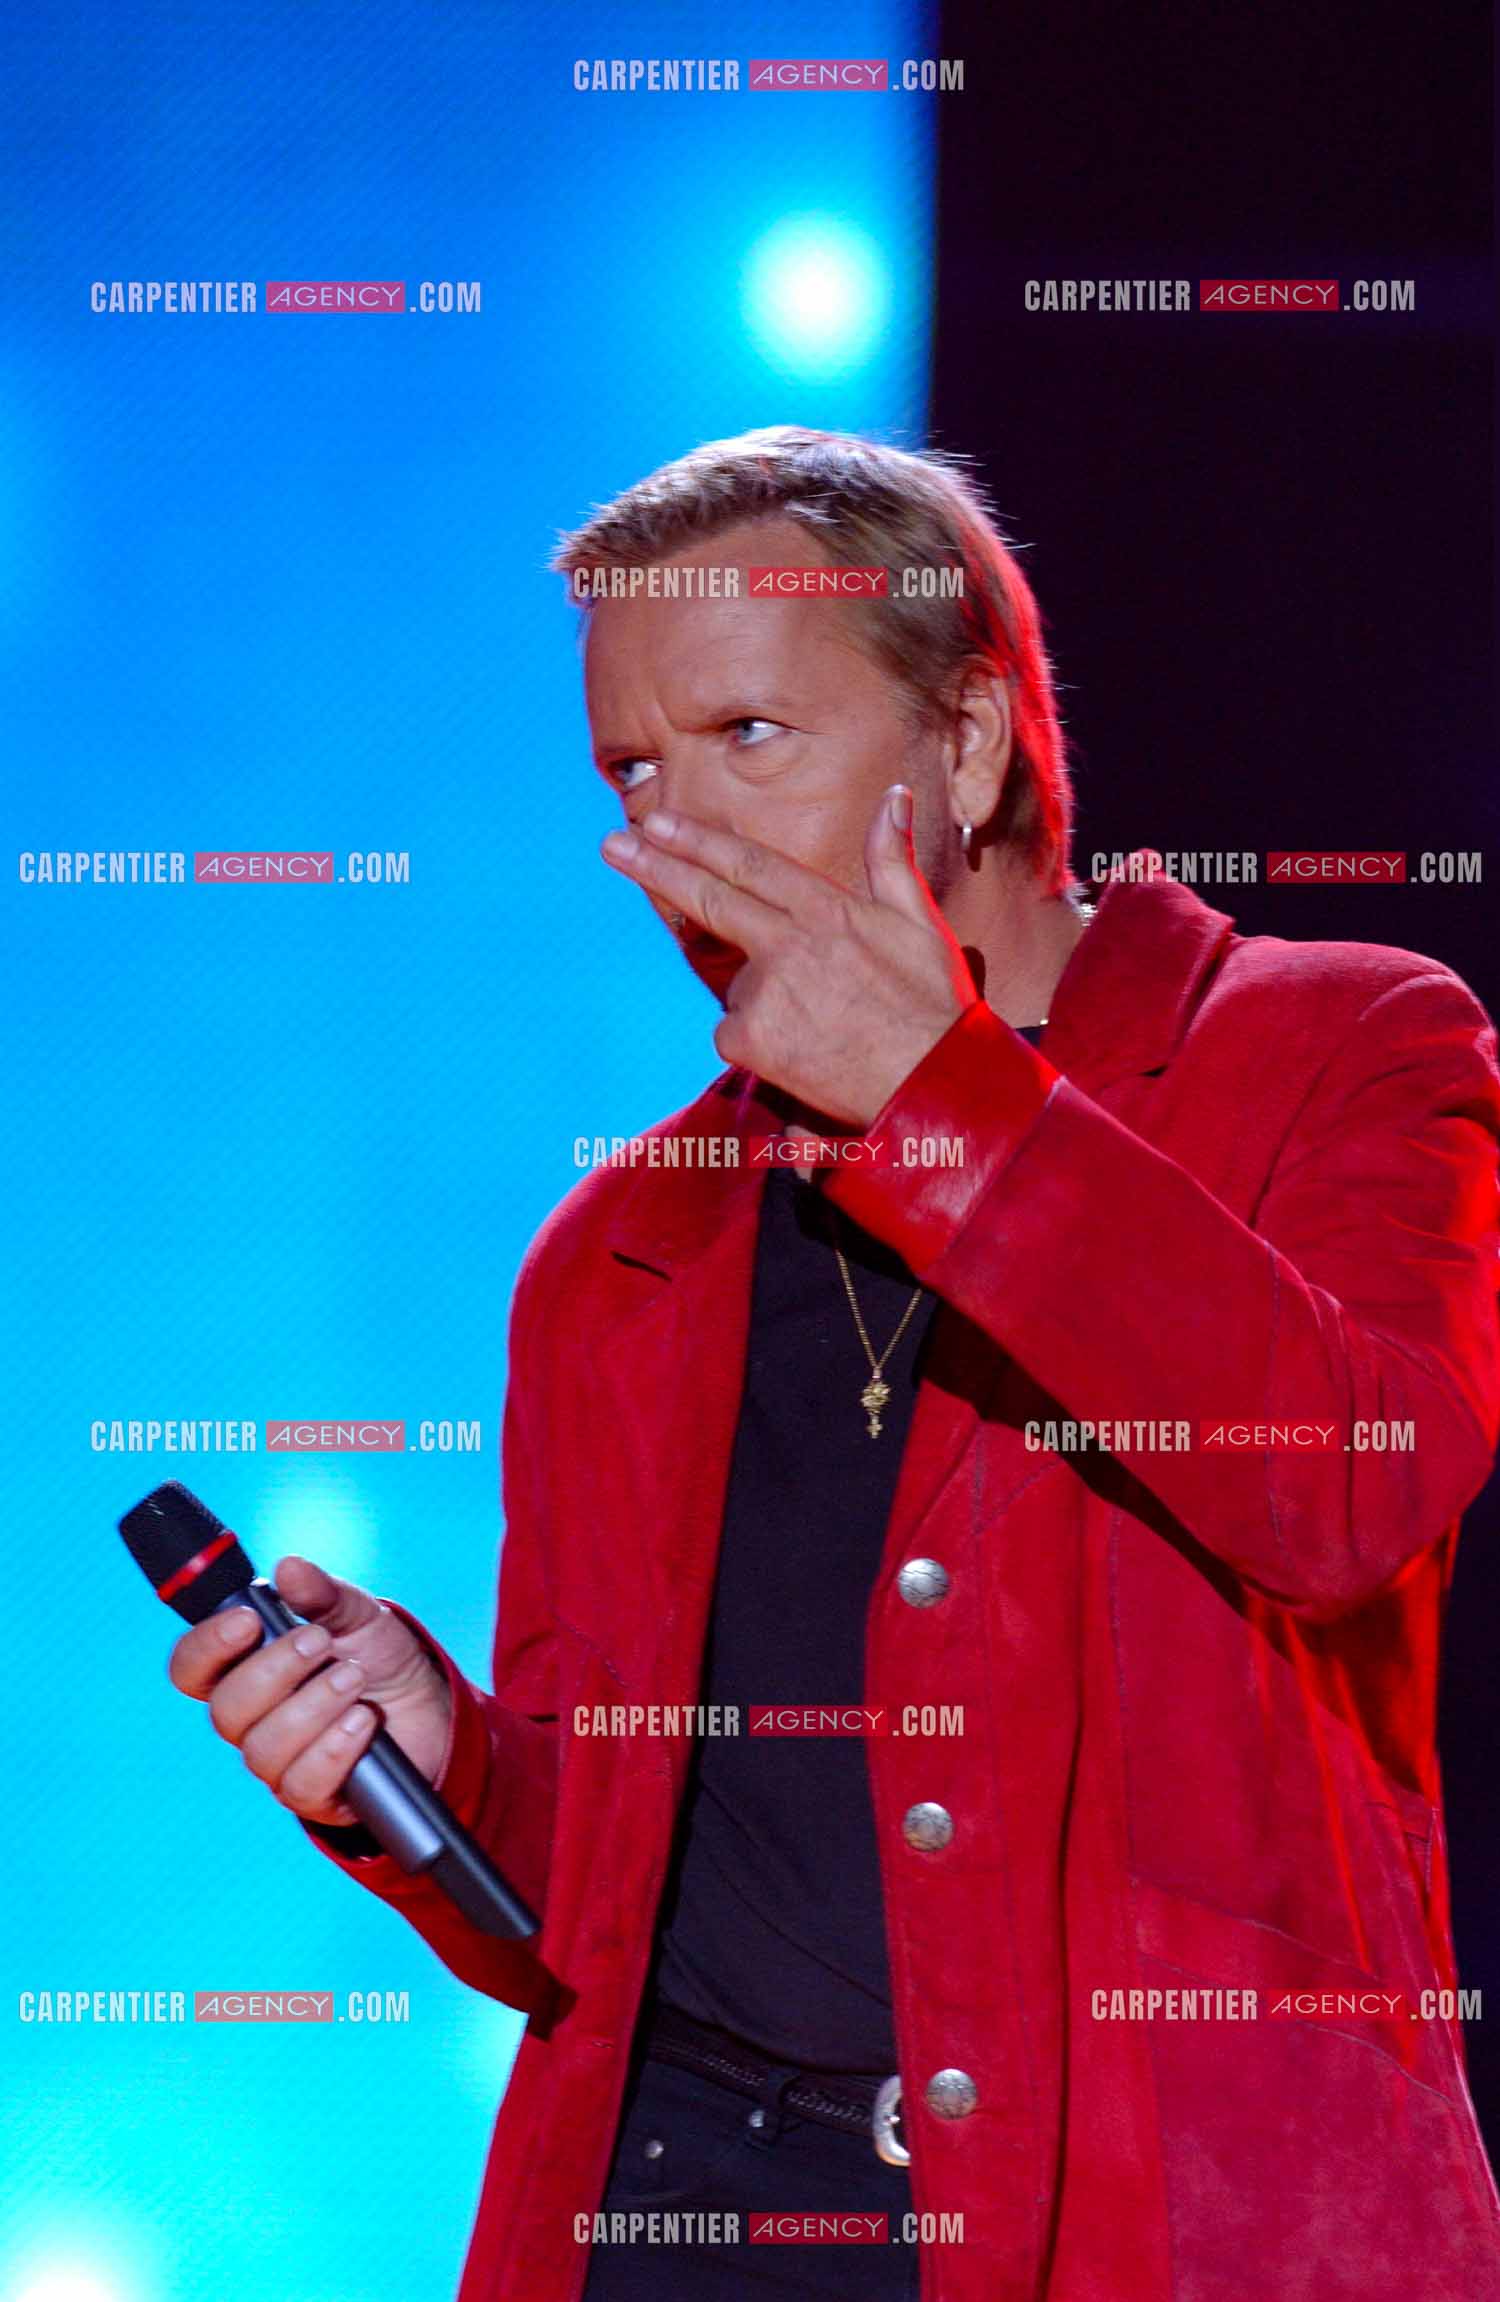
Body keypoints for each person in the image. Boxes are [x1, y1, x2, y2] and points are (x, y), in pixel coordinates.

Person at [168, 427, 1500, 2300]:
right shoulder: (622, 1248)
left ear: (970, 741)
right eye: (632, 769)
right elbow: (606, 1909)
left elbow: (1348, 1490)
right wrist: (443, 1762)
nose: (668, 841)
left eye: (748, 737)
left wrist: (941, 1105)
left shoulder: (1335, 1046)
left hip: (1155, 2223)